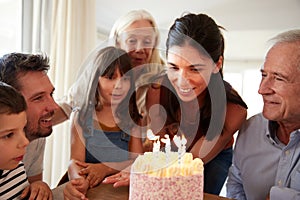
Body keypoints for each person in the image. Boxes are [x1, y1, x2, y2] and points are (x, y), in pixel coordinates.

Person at [104, 13, 248, 195]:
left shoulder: (234, 110)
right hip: (170, 153)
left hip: (211, 159)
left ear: (216, 64)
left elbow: (192, 161)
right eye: (173, 67)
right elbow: (160, 145)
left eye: (194, 69)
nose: (181, 80)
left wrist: (146, 173)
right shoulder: (157, 90)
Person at [56, 9, 165, 126]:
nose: (139, 49)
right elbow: (67, 106)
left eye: (147, 41)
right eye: (132, 40)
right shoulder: (97, 72)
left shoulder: (163, 79)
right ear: (117, 42)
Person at [226, 30, 300, 200]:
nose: (262, 89)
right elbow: (236, 182)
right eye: (264, 75)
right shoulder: (250, 129)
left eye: (279, 78)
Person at [63, 46, 143, 199]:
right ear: (95, 80)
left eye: (125, 78)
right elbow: (75, 161)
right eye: (110, 77)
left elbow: (137, 161)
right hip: (92, 191)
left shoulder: (133, 119)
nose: (118, 85)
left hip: (122, 192)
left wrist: (105, 169)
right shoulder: (81, 116)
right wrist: (79, 182)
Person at [0, 53, 59, 199]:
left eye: (51, 94)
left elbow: (31, 189)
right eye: (38, 98)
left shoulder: (36, 135)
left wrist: (40, 186)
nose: (54, 106)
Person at [0, 82, 30, 199]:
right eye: (9, 135)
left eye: (23, 129)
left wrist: (38, 186)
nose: (25, 142)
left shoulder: (14, 166)